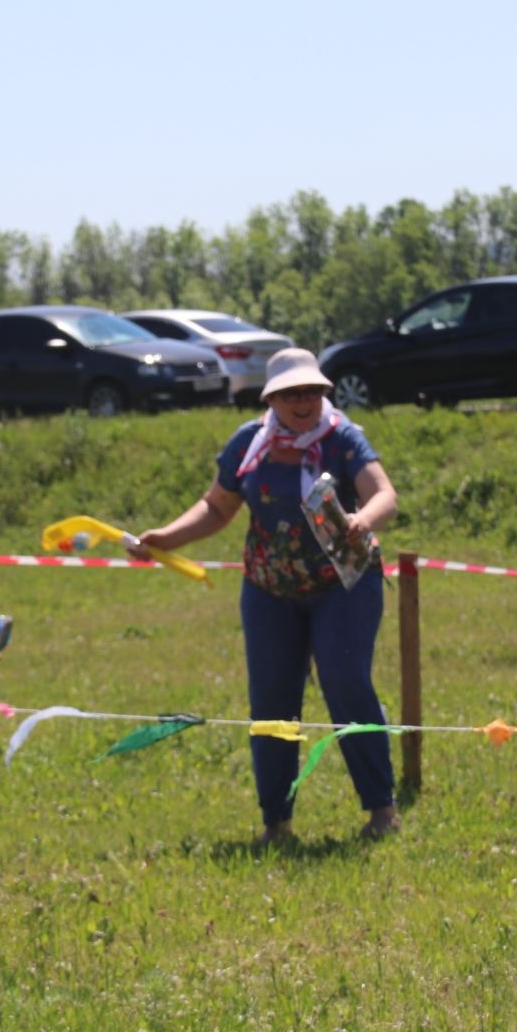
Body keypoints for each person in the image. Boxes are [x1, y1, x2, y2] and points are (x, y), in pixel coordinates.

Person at [131, 348, 400, 846]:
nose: (303, 402)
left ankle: (382, 809)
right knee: (272, 702)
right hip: (268, 589)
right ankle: (276, 823)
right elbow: (217, 507)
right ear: (271, 398)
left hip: (343, 585)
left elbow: (383, 492)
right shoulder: (248, 444)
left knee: (346, 686)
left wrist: (364, 518)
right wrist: (165, 538)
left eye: (312, 392)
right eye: (291, 393)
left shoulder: (343, 438)